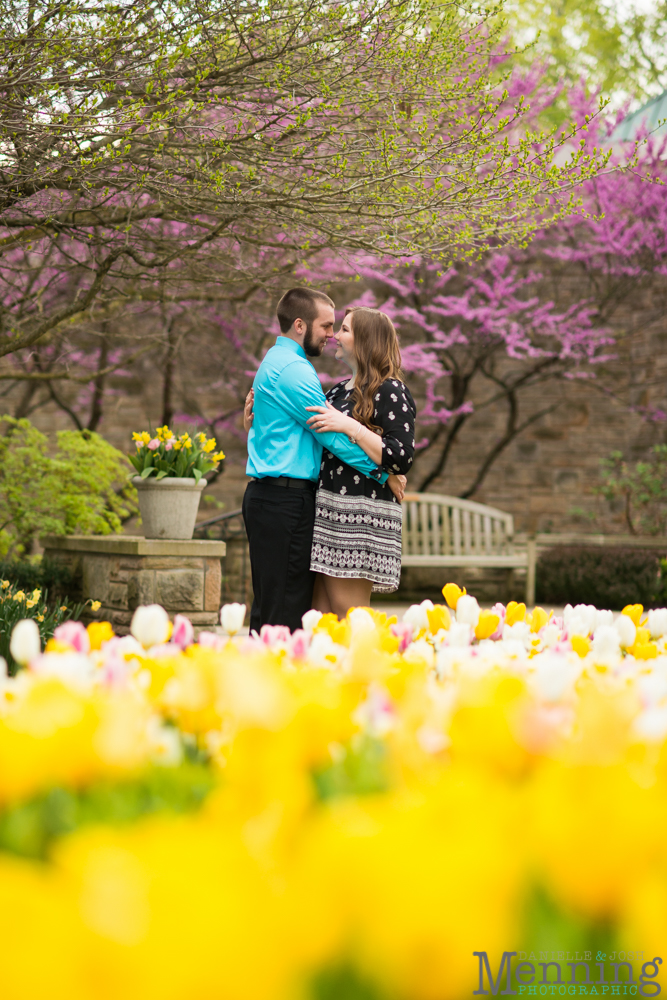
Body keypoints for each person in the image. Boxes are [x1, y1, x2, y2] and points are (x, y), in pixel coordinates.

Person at [242, 288, 406, 634]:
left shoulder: (284, 365)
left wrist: (255, 423)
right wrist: (381, 473)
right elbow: (329, 437)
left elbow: (388, 449)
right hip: (291, 502)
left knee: (297, 610)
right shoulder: (297, 371)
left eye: (340, 328)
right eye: (328, 326)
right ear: (300, 326)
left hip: (331, 510)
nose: (331, 336)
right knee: (286, 609)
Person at [305, 306, 416, 618]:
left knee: (349, 613)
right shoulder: (339, 390)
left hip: (362, 515)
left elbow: (401, 456)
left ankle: (375, 666)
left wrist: (351, 426)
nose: (335, 336)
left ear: (367, 340)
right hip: (329, 511)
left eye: (345, 329)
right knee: (322, 615)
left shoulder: (390, 389)